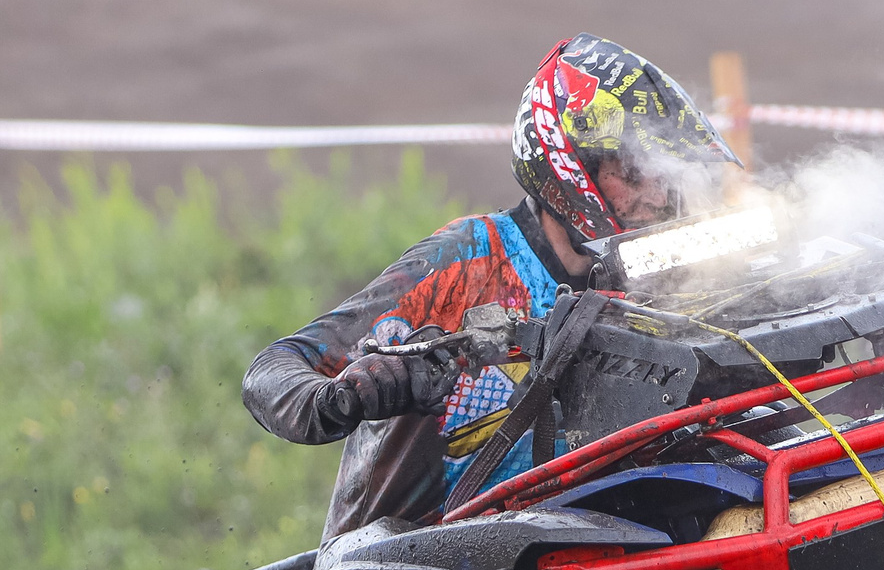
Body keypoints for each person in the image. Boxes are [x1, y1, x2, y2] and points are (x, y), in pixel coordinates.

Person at [242, 35, 739, 537]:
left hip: (586, 545)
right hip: (416, 561)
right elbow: (272, 368)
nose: (658, 195)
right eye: (634, 172)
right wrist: (345, 395)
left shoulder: (662, 278)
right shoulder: (468, 260)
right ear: (570, 166)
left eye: (665, 174)